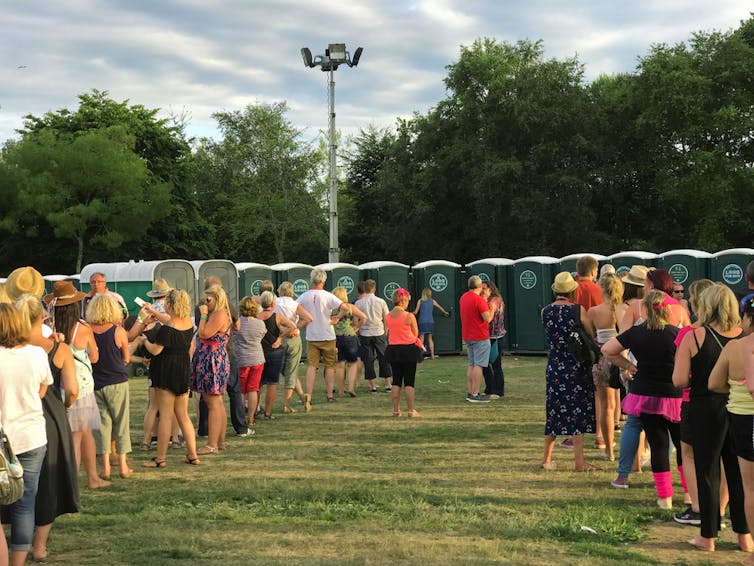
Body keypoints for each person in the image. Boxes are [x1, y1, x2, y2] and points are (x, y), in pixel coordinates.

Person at [672, 284, 750, 551]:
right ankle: (745, 535)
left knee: (707, 472)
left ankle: (708, 536)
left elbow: (680, 380)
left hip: (704, 407)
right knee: (738, 473)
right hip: (738, 406)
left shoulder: (693, 337)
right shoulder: (744, 335)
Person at [15, 294, 79, 563]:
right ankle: (39, 545)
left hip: (15, 416)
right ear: (43, 317)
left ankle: (16, 539)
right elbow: (73, 389)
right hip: (50, 416)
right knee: (48, 481)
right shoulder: (57, 349)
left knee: (14, 480)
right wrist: (65, 406)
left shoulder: (10, 347)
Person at [603, 290, 681, 508]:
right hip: (674, 395)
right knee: (683, 446)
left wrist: (629, 366)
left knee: (658, 445)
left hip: (645, 394)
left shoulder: (636, 333)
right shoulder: (676, 333)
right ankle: (689, 494)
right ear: (667, 309)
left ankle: (664, 497)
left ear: (645, 309)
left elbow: (607, 350)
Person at [0, 302, 52, 566]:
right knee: (24, 502)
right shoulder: (37, 354)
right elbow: (42, 390)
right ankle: (18, 561)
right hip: (31, 435)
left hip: (2, 437)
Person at [45, 281, 108, 489]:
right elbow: (95, 356)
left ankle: (89, 478)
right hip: (80, 385)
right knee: (80, 434)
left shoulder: (47, 327)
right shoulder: (82, 328)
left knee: (79, 433)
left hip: (56, 384)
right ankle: (76, 480)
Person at [709, 296, 754, 560]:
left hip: (744, 419)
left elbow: (714, 383)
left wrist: (735, 387)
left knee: (750, 487)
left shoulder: (736, 347)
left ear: (747, 318)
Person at [668, 278, 715, 526]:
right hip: (726, 402)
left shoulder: (689, 334)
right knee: (722, 457)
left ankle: (698, 508)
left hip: (693, 400)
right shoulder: (737, 332)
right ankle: (720, 508)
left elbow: (679, 379)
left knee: (690, 455)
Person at [540, 272, 597, 471]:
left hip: (555, 364)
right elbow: (590, 334)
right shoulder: (577, 310)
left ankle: (546, 459)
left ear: (555, 291)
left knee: (554, 411)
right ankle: (579, 462)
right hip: (576, 364)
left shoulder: (546, 311)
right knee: (578, 411)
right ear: (572, 291)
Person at [140, 289, 200, 467]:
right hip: (182, 369)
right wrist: (153, 312)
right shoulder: (188, 324)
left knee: (165, 416)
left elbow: (155, 350)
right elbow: (169, 320)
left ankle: (160, 458)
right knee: (183, 416)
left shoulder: (167, 329)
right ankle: (193, 454)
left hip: (166, 370)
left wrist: (143, 341)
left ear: (170, 305)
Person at [86, 293, 132, 480]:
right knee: (121, 423)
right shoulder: (118, 331)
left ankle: (105, 468)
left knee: (102, 426)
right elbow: (126, 358)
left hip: (96, 382)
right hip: (117, 382)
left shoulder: (88, 330)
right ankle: (122, 466)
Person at [295, 269, 349, 412]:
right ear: (323, 281)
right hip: (327, 334)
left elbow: (295, 308)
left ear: (311, 280)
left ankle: (309, 395)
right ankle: (330, 394)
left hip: (312, 335)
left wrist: (302, 321)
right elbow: (345, 307)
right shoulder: (328, 296)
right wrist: (337, 317)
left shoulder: (304, 296)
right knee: (330, 366)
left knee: (312, 366)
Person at [587, 272, 627, 461]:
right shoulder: (623, 310)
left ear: (602, 288)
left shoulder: (594, 311)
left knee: (605, 406)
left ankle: (609, 449)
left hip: (603, 358)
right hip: (624, 358)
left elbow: (591, 337)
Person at [191, 284, 232, 455]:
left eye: (208, 299)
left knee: (213, 402)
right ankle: (219, 442)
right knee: (217, 402)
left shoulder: (219, 314)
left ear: (218, 299)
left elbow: (204, 333)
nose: (205, 302)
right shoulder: (222, 313)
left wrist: (204, 315)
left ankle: (211, 444)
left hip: (212, 360)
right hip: (214, 357)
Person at [273, 281, 312, 412]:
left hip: (278, 338)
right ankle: (289, 403)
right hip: (293, 339)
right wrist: (295, 327)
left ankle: (298, 399)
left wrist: (283, 329)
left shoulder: (275, 302)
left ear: (280, 291)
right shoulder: (295, 304)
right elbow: (308, 318)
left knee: (284, 370)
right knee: (291, 371)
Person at [256, 291, 295, 418]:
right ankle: (268, 412)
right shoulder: (277, 316)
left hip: (260, 351)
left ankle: (254, 410)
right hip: (275, 352)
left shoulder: (257, 317)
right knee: (272, 383)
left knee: (258, 384)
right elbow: (292, 326)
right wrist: (280, 337)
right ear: (273, 303)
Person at [460, 275, 497, 403]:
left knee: (471, 364)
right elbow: (487, 318)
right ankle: (475, 394)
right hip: (480, 336)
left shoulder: (463, 297)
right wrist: (492, 309)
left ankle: (470, 392)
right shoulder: (479, 300)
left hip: (467, 335)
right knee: (479, 365)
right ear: (480, 286)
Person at [385, 288, 422, 417]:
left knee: (396, 380)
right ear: (404, 301)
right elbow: (415, 333)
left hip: (394, 349)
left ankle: (395, 410)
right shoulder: (409, 316)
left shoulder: (387, 316)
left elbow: (387, 332)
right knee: (409, 381)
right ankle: (411, 410)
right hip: (408, 349)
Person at [355, 279, 393, 393]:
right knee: (384, 358)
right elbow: (386, 318)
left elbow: (356, 320)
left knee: (368, 360)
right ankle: (388, 384)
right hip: (379, 332)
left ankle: (373, 386)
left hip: (365, 333)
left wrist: (358, 332)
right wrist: (386, 331)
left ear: (364, 289)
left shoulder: (358, 303)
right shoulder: (381, 301)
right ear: (374, 289)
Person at [235, 296, 266, 434]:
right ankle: (251, 418)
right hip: (257, 359)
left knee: (241, 391)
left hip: (241, 359)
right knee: (253, 389)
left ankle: (240, 418)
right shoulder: (260, 323)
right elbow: (262, 336)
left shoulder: (237, 323)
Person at [332, 287, 367, 397]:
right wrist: (356, 328)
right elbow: (364, 317)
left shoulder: (331, 308)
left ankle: (341, 391)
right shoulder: (350, 307)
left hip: (336, 337)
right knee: (352, 364)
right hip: (350, 336)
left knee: (340, 365)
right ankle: (351, 388)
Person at [480, 280, 506, 399]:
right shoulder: (489, 300)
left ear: (490, 289)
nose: (482, 290)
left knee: (496, 365)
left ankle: (498, 391)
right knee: (485, 365)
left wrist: (484, 300)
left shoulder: (494, 300)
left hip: (495, 337)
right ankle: (489, 388)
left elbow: (489, 316)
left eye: (484, 288)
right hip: (487, 336)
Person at [412, 287, 449, 360]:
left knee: (421, 338)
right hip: (430, 321)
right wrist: (445, 312)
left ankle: (420, 355)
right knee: (430, 338)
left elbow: (416, 312)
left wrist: (408, 313)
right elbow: (439, 307)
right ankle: (432, 355)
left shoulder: (420, 301)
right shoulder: (432, 301)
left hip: (422, 321)